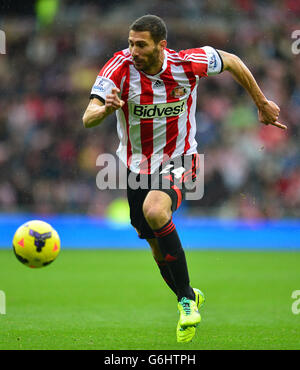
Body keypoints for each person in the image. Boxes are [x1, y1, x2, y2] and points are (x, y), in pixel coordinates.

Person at [82, 14, 286, 343]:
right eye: (131, 43)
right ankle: (187, 293)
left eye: (141, 44)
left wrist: (261, 103)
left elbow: (232, 61)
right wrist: (104, 109)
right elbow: (87, 117)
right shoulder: (118, 68)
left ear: (162, 45)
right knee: (153, 243)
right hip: (137, 167)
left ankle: (186, 302)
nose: (133, 50)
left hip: (180, 158)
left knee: (156, 211)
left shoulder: (188, 63)